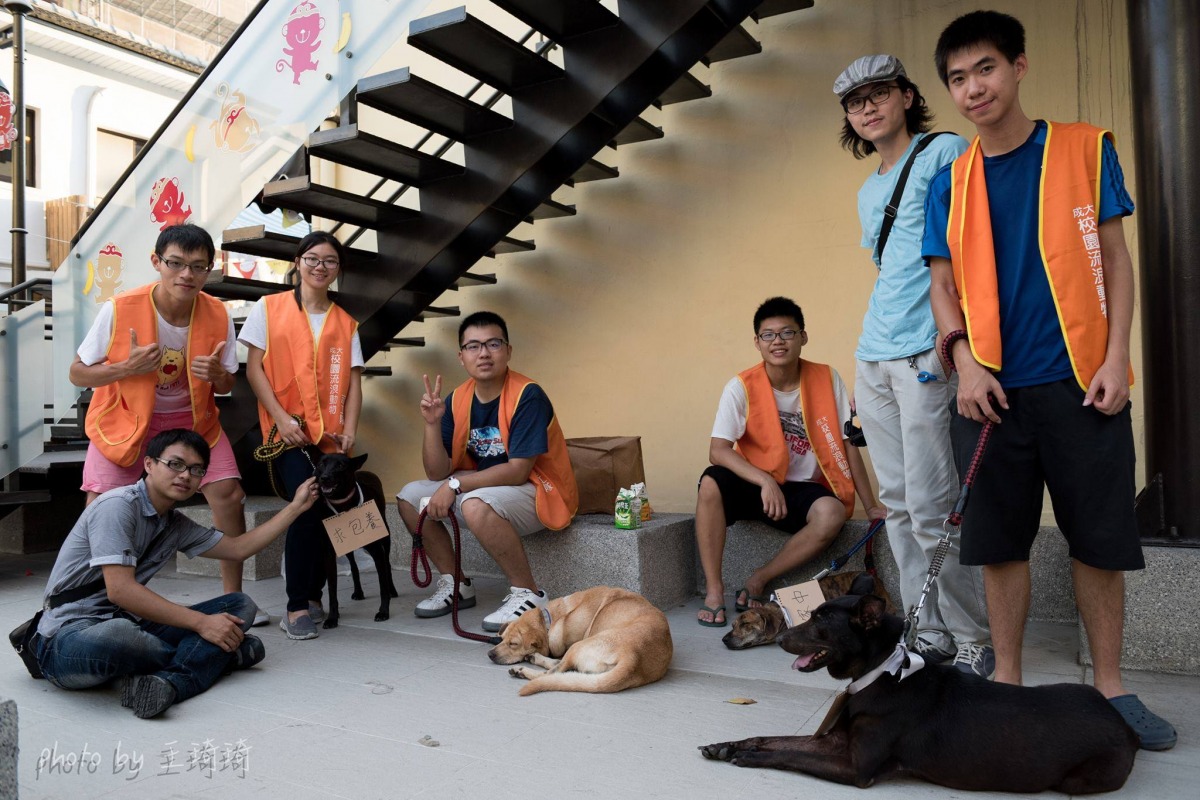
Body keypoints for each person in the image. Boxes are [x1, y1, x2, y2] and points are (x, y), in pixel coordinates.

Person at [923, 10, 1175, 750]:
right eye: (959, 78)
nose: (974, 88)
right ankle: (1007, 683)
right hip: (989, 393)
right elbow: (942, 288)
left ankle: (1111, 687)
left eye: (987, 69)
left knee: (1098, 538)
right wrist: (962, 362)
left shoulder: (1083, 149)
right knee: (1000, 542)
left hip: (1082, 385)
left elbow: (1118, 260)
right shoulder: (952, 178)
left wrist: (1116, 358)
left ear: (1020, 66)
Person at [834, 54, 993, 676]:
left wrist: (963, 346)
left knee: (932, 505)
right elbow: (891, 270)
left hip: (928, 349)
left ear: (905, 95)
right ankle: (928, 634)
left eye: (878, 94)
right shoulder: (868, 188)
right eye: (854, 102)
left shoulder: (947, 150)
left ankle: (972, 634)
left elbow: (973, 248)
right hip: (874, 353)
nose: (867, 107)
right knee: (895, 505)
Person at [32, 429, 318, 719]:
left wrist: (295, 508)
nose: (185, 475)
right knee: (121, 636)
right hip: (67, 639)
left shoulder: (174, 524)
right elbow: (120, 590)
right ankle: (220, 658)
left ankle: (172, 680)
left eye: (196, 470)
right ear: (149, 465)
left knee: (239, 604)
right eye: (175, 464)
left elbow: (237, 548)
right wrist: (202, 624)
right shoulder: (117, 506)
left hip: (128, 624)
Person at [69, 224, 264, 626]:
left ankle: (233, 597)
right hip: (126, 418)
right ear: (157, 261)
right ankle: (88, 604)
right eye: (175, 263)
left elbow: (228, 381)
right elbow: (77, 373)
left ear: (210, 269)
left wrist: (217, 376)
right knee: (99, 507)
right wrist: (125, 367)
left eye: (198, 266)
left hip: (192, 421)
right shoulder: (120, 308)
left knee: (228, 494)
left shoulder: (216, 313)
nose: (186, 275)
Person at [695, 297, 884, 627]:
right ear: (757, 342)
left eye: (787, 332)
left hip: (802, 490)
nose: (778, 341)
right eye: (768, 335)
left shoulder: (826, 378)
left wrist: (871, 507)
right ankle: (714, 590)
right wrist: (764, 481)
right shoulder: (741, 386)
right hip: (757, 484)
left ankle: (759, 578)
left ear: (803, 337)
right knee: (711, 482)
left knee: (832, 514)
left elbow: (847, 444)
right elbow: (718, 450)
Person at [396, 311, 579, 632]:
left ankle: (529, 593)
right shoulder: (457, 400)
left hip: (540, 493)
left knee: (474, 501)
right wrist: (432, 423)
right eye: (473, 346)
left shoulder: (527, 395)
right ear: (461, 356)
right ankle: (456, 585)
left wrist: (455, 484)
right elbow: (436, 470)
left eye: (493, 343)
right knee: (410, 497)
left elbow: (518, 471)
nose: (483, 353)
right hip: (486, 494)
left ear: (508, 351)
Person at [239, 231, 365, 640]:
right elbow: (254, 369)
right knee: (305, 504)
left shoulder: (345, 322)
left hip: (330, 438)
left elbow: (354, 382)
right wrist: (280, 418)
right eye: (312, 258)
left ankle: (319, 594)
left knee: (341, 509)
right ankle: (296, 605)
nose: (320, 267)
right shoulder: (269, 307)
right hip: (287, 432)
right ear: (297, 262)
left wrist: (350, 430)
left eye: (329, 261)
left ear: (338, 270)